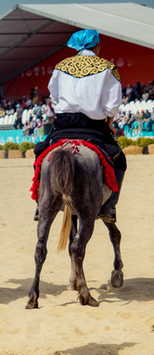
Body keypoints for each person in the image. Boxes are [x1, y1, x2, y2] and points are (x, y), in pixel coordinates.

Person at [33, 29, 125, 222]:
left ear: (76, 46)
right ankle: (109, 207)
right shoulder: (108, 67)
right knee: (120, 160)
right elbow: (112, 106)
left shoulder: (61, 66)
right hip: (93, 127)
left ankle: (40, 203)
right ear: (97, 46)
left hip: (63, 125)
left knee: (40, 152)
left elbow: (54, 97)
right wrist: (109, 126)